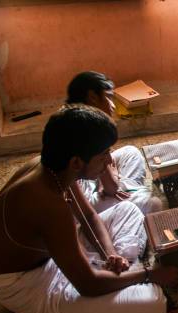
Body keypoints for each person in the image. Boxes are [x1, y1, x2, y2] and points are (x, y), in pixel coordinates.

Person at [0, 105, 178, 313]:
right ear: (76, 162)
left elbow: (89, 215)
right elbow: (87, 285)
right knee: (153, 304)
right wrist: (148, 274)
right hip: (29, 283)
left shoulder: (55, 169)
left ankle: (116, 267)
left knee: (129, 210)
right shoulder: (46, 203)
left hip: (58, 256)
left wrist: (111, 253)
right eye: (103, 155)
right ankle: (123, 274)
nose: (109, 162)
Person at [66, 71, 162, 215]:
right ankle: (129, 195)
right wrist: (113, 178)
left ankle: (128, 189)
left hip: (92, 176)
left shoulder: (74, 115)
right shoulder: (90, 126)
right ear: (92, 97)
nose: (113, 105)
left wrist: (108, 177)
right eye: (108, 98)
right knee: (152, 204)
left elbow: (104, 164)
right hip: (85, 200)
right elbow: (111, 188)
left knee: (131, 152)